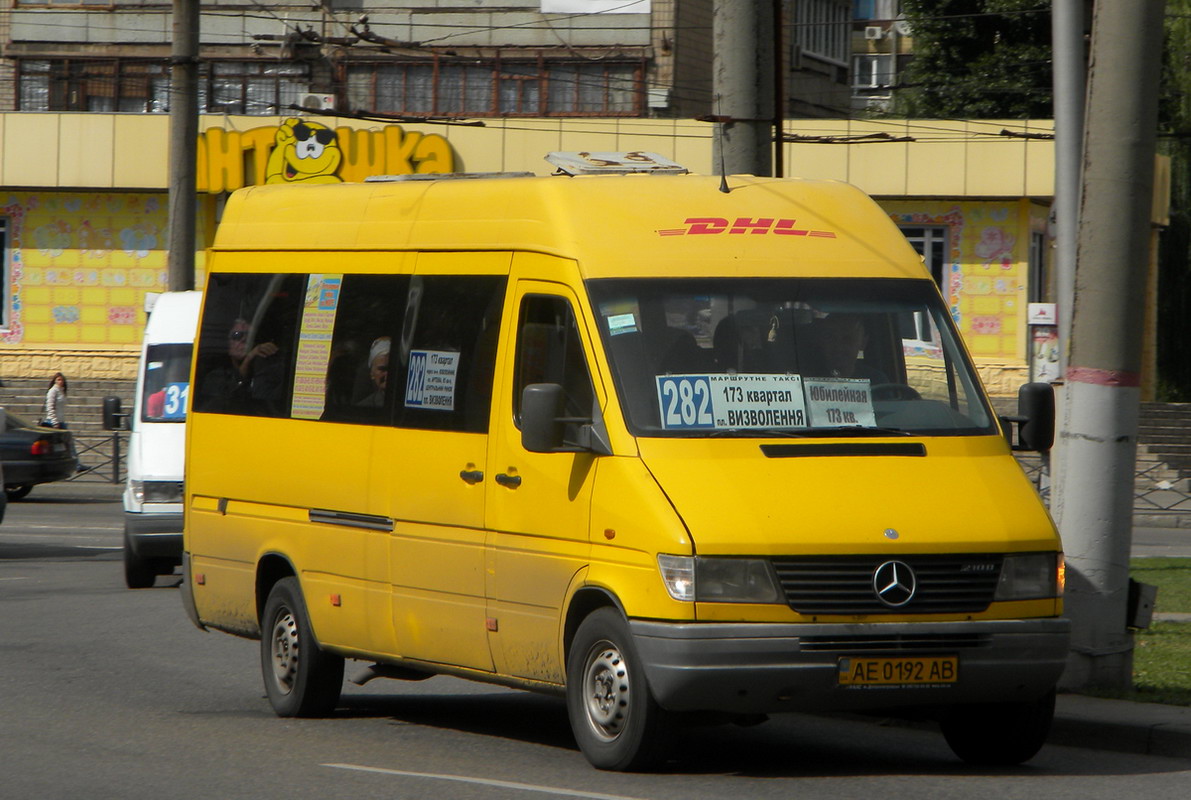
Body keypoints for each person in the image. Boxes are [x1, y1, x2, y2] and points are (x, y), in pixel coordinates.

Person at [356, 336, 390, 407]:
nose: (387, 374)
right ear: (372, 373)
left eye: (390, 369)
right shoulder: (364, 408)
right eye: (382, 369)